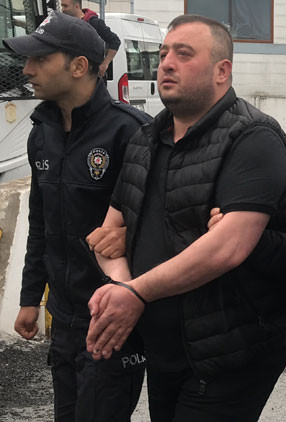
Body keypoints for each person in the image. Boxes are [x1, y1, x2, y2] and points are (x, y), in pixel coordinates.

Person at [83, 15, 286, 421]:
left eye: (184, 54)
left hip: (226, 355)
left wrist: (135, 294)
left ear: (222, 71)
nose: (166, 63)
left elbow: (228, 248)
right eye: (164, 53)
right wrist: (124, 287)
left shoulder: (253, 137)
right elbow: (108, 234)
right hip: (162, 350)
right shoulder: (145, 138)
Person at [3, 11, 149, 421]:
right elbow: (41, 224)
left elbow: (159, 223)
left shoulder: (131, 132)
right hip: (63, 319)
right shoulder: (41, 133)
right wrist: (30, 298)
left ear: (79, 66)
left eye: (40, 59)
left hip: (112, 319)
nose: (27, 70)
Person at [60, 0, 120, 77]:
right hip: (72, 74)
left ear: (76, 6)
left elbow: (115, 41)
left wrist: (105, 64)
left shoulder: (94, 23)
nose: (62, 9)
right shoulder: (65, 25)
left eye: (65, 6)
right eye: (62, 6)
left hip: (91, 75)